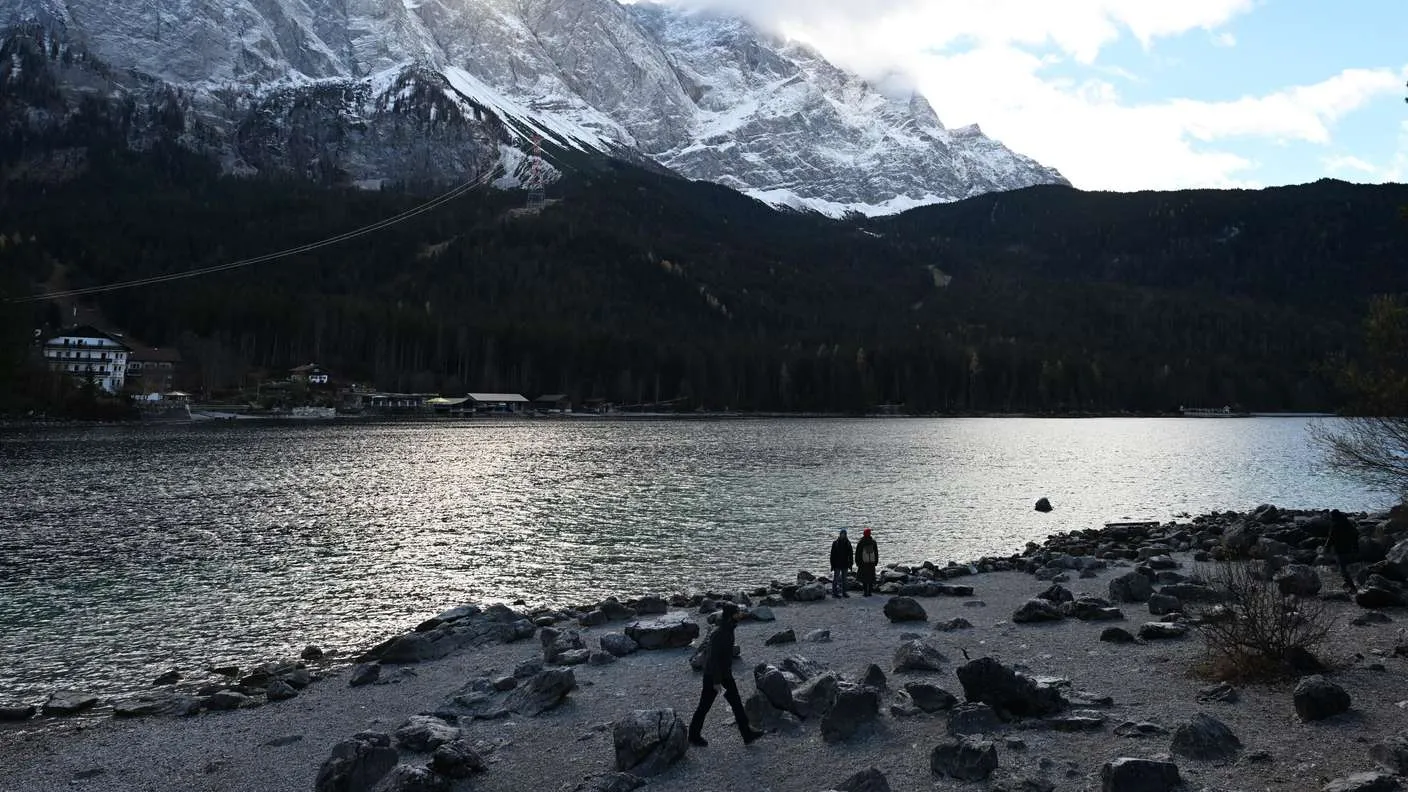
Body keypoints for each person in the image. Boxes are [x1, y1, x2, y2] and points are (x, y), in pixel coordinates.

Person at [688, 602, 763, 747]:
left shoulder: (729, 628)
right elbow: (713, 659)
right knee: (704, 706)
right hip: (713, 675)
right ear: (731, 615)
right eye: (737, 612)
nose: (740, 615)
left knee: (736, 703)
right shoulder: (719, 633)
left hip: (725, 673)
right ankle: (693, 735)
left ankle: (747, 734)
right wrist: (716, 681)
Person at [1325, 509, 1360, 593]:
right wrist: (1356, 548)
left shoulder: (1335, 525)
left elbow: (1331, 538)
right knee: (1346, 568)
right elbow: (1355, 534)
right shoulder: (1348, 524)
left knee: (1343, 570)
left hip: (1341, 550)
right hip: (1350, 549)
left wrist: (1326, 547)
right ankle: (1348, 584)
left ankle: (1352, 587)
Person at [830, 528, 854, 598]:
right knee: (836, 579)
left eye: (844, 534)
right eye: (842, 534)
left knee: (844, 579)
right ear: (840, 535)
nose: (843, 535)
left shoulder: (848, 543)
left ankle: (844, 592)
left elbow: (851, 555)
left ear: (846, 535)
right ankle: (834, 593)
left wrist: (851, 564)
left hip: (845, 564)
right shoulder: (835, 543)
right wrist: (832, 565)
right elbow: (832, 555)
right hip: (837, 564)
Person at [855, 528, 879, 596]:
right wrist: (876, 561)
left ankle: (865, 592)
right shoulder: (873, 542)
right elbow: (876, 553)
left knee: (864, 578)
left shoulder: (861, 542)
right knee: (871, 578)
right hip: (871, 563)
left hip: (863, 563)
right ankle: (870, 592)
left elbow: (858, 553)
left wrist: (857, 562)